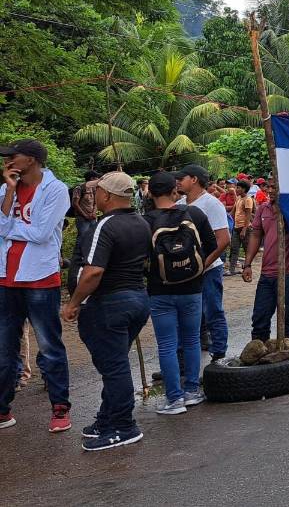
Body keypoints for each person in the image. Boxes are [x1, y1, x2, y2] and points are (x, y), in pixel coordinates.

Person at [62, 172, 151, 451]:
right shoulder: (141, 222)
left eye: (97, 191)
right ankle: (106, 419)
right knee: (115, 363)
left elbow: (93, 272)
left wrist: (74, 302)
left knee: (114, 368)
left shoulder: (105, 225)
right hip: (137, 299)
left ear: (108, 196)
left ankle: (124, 427)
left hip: (110, 304)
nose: (94, 196)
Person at [0, 139, 72, 433]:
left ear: (30, 159)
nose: (7, 161)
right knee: (5, 348)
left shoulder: (56, 190)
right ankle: (3, 409)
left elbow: (42, 233)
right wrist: (11, 192)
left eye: (12, 155)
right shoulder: (6, 189)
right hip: (6, 277)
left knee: (49, 345)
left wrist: (8, 229)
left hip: (40, 277)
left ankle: (60, 407)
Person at [143, 171, 217, 415]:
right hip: (192, 288)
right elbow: (212, 245)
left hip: (159, 290)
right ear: (175, 191)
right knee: (192, 339)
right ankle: (193, 391)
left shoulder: (145, 221)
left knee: (167, 344)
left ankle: (174, 398)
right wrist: (197, 269)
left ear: (149, 193)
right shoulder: (194, 214)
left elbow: (140, 258)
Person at [175, 164, 230, 362]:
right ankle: (183, 361)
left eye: (182, 178)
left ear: (194, 180)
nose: (178, 182)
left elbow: (223, 240)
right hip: (186, 270)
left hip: (208, 269)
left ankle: (220, 356)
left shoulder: (211, 204)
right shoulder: (180, 203)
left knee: (213, 310)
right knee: (186, 316)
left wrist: (203, 265)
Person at [241, 179, 289, 343]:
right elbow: (255, 235)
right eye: (268, 186)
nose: (269, 190)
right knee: (259, 318)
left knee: (287, 317)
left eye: (274, 187)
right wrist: (247, 264)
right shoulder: (263, 209)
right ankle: (258, 352)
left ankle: (288, 354)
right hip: (267, 273)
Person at [231, 180, 256, 274]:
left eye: (238, 188)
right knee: (234, 248)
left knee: (247, 249)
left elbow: (248, 215)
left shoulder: (248, 199)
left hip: (245, 228)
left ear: (244, 189)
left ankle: (247, 267)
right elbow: (233, 212)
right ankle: (232, 270)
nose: (236, 189)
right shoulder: (238, 198)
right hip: (236, 227)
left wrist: (244, 230)